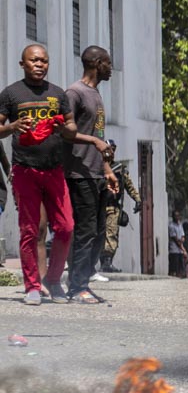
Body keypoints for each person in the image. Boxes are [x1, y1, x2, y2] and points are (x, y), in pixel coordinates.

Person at [0, 44, 113, 305]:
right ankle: (32, 286)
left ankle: (53, 279)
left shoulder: (58, 94)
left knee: (66, 227)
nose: (40, 65)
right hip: (25, 169)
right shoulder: (11, 94)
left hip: (54, 170)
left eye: (44, 61)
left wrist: (65, 126)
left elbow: (71, 127)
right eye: (34, 61)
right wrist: (14, 126)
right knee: (30, 230)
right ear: (23, 64)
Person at [64, 46, 120, 302]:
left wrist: (107, 169)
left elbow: (97, 136)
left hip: (96, 173)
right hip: (78, 173)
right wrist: (95, 143)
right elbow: (65, 131)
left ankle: (83, 282)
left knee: (98, 232)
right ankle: (76, 287)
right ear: (97, 63)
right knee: (85, 232)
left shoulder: (95, 94)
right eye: (108, 63)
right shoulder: (75, 92)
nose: (111, 68)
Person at [99, 145, 141, 273]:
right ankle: (102, 263)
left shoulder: (120, 169)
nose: (110, 152)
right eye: (108, 149)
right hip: (98, 207)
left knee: (111, 234)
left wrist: (138, 200)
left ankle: (107, 262)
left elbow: (129, 186)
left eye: (112, 149)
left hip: (113, 208)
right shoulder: (97, 167)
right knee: (99, 236)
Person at [168, 209, 187, 278]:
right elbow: (175, 239)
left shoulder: (180, 225)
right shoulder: (171, 226)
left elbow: (182, 235)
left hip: (180, 250)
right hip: (174, 250)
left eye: (178, 216)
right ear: (173, 216)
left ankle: (180, 276)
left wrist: (182, 239)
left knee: (180, 266)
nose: (177, 217)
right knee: (174, 266)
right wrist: (182, 248)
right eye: (176, 216)